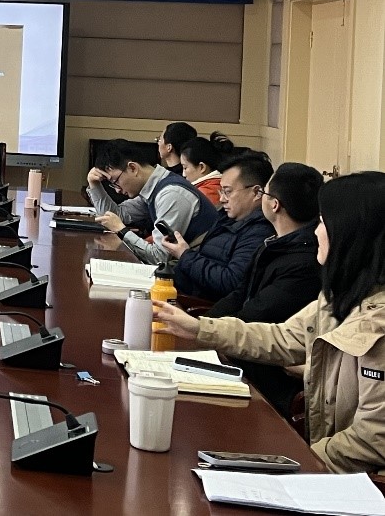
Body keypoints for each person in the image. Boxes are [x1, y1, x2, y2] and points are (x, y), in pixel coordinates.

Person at [155, 171, 385, 475]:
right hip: (324, 466)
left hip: (352, 482)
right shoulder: (340, 298)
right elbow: (281, 338)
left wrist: (297, 462)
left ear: (352, 236)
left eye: (324, 222)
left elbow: (372, 439)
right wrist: (199, 329)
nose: (316, 231)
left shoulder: (378, 325)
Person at [204, 161, 323, 412]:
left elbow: (257, 315)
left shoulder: (305, 262)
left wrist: (207, 332)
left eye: (265, 193)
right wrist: (205, 326)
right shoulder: (272, 243)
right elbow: (240, 293)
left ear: (274, 204)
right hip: (239, 350)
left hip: (263, 375)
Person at [161, 150, 276, 302]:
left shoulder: (259, 231)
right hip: (179, 288)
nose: (222, 199)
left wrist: (185, 255)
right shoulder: (227, 218)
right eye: (221, 191)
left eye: (228, 192)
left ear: (257, 192)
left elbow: (230, 282)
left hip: (193, 304)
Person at [88, 138, 217, 264]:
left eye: (115, 181)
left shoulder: (170, 194)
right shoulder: (153, 187)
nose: (117, 190)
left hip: (200, 270)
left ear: (133, 168)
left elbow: (158, 258)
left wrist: (122, 230)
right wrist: (94, 185)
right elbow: (112, 216)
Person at [179, 132, 235, 206]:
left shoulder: (203, 194)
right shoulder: (218, 185)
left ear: (202, 167)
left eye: (185, 168)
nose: (184, 174)